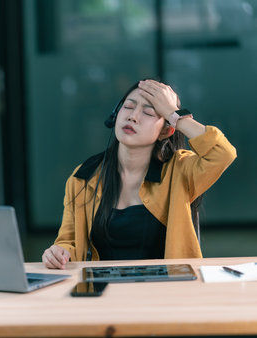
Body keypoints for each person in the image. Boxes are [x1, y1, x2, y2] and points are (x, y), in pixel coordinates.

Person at [42, 79, 237, 269]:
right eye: (128, 107)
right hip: (102, 294)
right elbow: (69, 242)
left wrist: (173, 114)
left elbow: (222, 153)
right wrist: (59, 252)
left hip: (166, 292)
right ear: (115, 114)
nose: (133, 116)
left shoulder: (179, 170)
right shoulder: (83, 176)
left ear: (166, 131)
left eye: (148, 112)